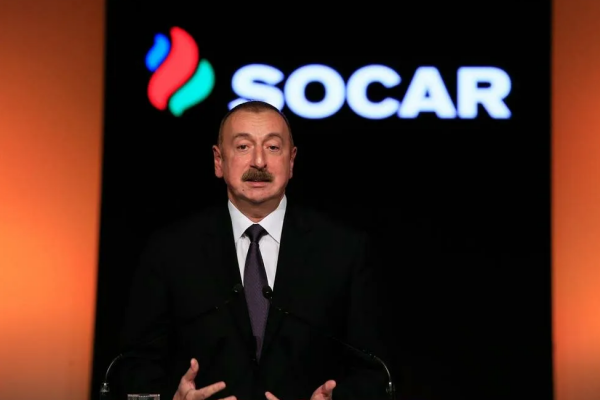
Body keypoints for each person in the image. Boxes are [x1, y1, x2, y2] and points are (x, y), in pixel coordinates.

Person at [118, 100, 388, 400]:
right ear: (219, 161)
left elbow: (376, 373)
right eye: (243, 147)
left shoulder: (344, 250)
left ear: (291, 161)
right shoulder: (171, 250)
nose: (259, 162)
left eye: (272, 147)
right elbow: (131, 368)